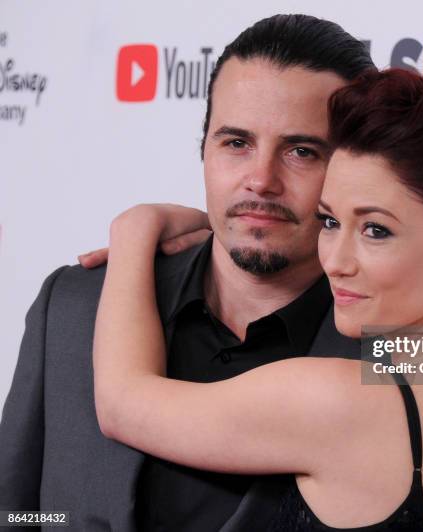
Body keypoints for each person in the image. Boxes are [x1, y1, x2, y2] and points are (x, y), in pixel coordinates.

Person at [93, 67, 423, 531]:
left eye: (375, 230)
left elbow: (122, 404)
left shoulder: (341, 401)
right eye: (330, 222)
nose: (335, 259)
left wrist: (136, 229)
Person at [0, 15, 375, 531]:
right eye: (236, 142)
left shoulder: (406, 354)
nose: (261, 180)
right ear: (203, 149)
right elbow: (13, 513)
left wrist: (134, 229)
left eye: (301, 151)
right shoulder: (72, 307)